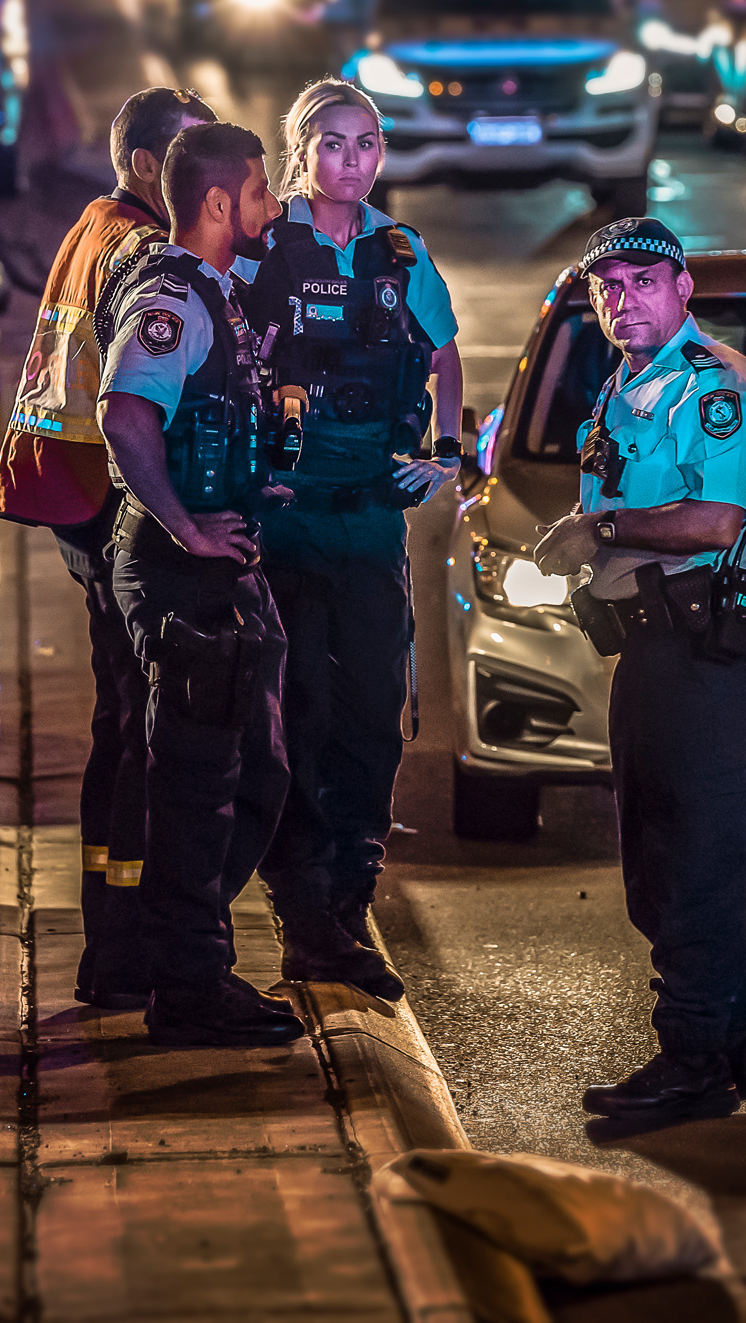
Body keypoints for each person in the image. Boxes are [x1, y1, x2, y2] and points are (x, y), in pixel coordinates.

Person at [529, 216, 746, 1127]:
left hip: (703, 646)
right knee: (657, 850)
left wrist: (598, 530)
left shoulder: (715, 385)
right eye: (608, 287)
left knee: (693, 856)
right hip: (650, 645)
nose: (623, 299)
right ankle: (737, 1034)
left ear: (683, 290)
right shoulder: (626, 384)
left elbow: (715, 521)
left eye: (642, 281)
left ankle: (691, 1057)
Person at [235, 79, 464, 1001]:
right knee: (296, 716)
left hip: (370, 517)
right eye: (332, 143)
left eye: (367, 143)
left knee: (373, 713)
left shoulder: (401, 251)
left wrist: (445, 451)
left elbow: (444, 353)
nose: (352, 160)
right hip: (285, 521)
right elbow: (222, 355)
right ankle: (304, 912)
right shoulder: (264, 248)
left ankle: (350, 901)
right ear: (302, 152)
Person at [0, 87, 215, 1008]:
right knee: (144, 732)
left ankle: (109, 937)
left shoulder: (94, 223)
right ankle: (127, 947)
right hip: (112, 510)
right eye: (191, 161)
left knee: (118, 726)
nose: (206, 182)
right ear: (141, 167)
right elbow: (142, 403)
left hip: (77, 504)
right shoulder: (137, 249)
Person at [97, 120, 301, 1049]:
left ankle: (189, 954)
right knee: (198, 782)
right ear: (220, 202)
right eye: (261, 191)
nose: (272, 205)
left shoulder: (216, 293)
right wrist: (184, 522)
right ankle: (187, 982)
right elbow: (126, 413)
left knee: (250, 770)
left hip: (220, 567)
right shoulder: (171, 296)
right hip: (180, 573)